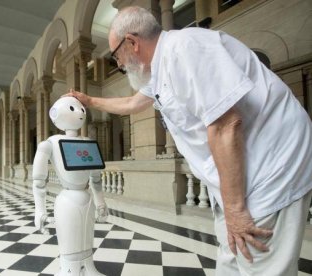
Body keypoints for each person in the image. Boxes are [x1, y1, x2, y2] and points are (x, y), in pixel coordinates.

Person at [66, 6, 312, 276]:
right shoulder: (159, 69)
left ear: (132, 43)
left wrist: (236, 210)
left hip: (271, 169)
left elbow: (226, 126)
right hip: (238, 177)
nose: (120, 65)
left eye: (116, 57)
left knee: (259, 263)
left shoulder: (186, 49)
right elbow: (132, 102)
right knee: (231, 261)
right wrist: (89, 101)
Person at [32, 97, 108, 276]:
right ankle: (69, 271)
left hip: (87, 198)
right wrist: (39, 210)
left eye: (82, 108)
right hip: (66, 201)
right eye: (74, 108)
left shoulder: (88, 142)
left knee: (86, 241)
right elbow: (38, 180)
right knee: (70, 243)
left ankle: (88, 269)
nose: (81, 112)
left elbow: (96, 179)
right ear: (54, 114)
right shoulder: (49, 144)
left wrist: (101, 202)